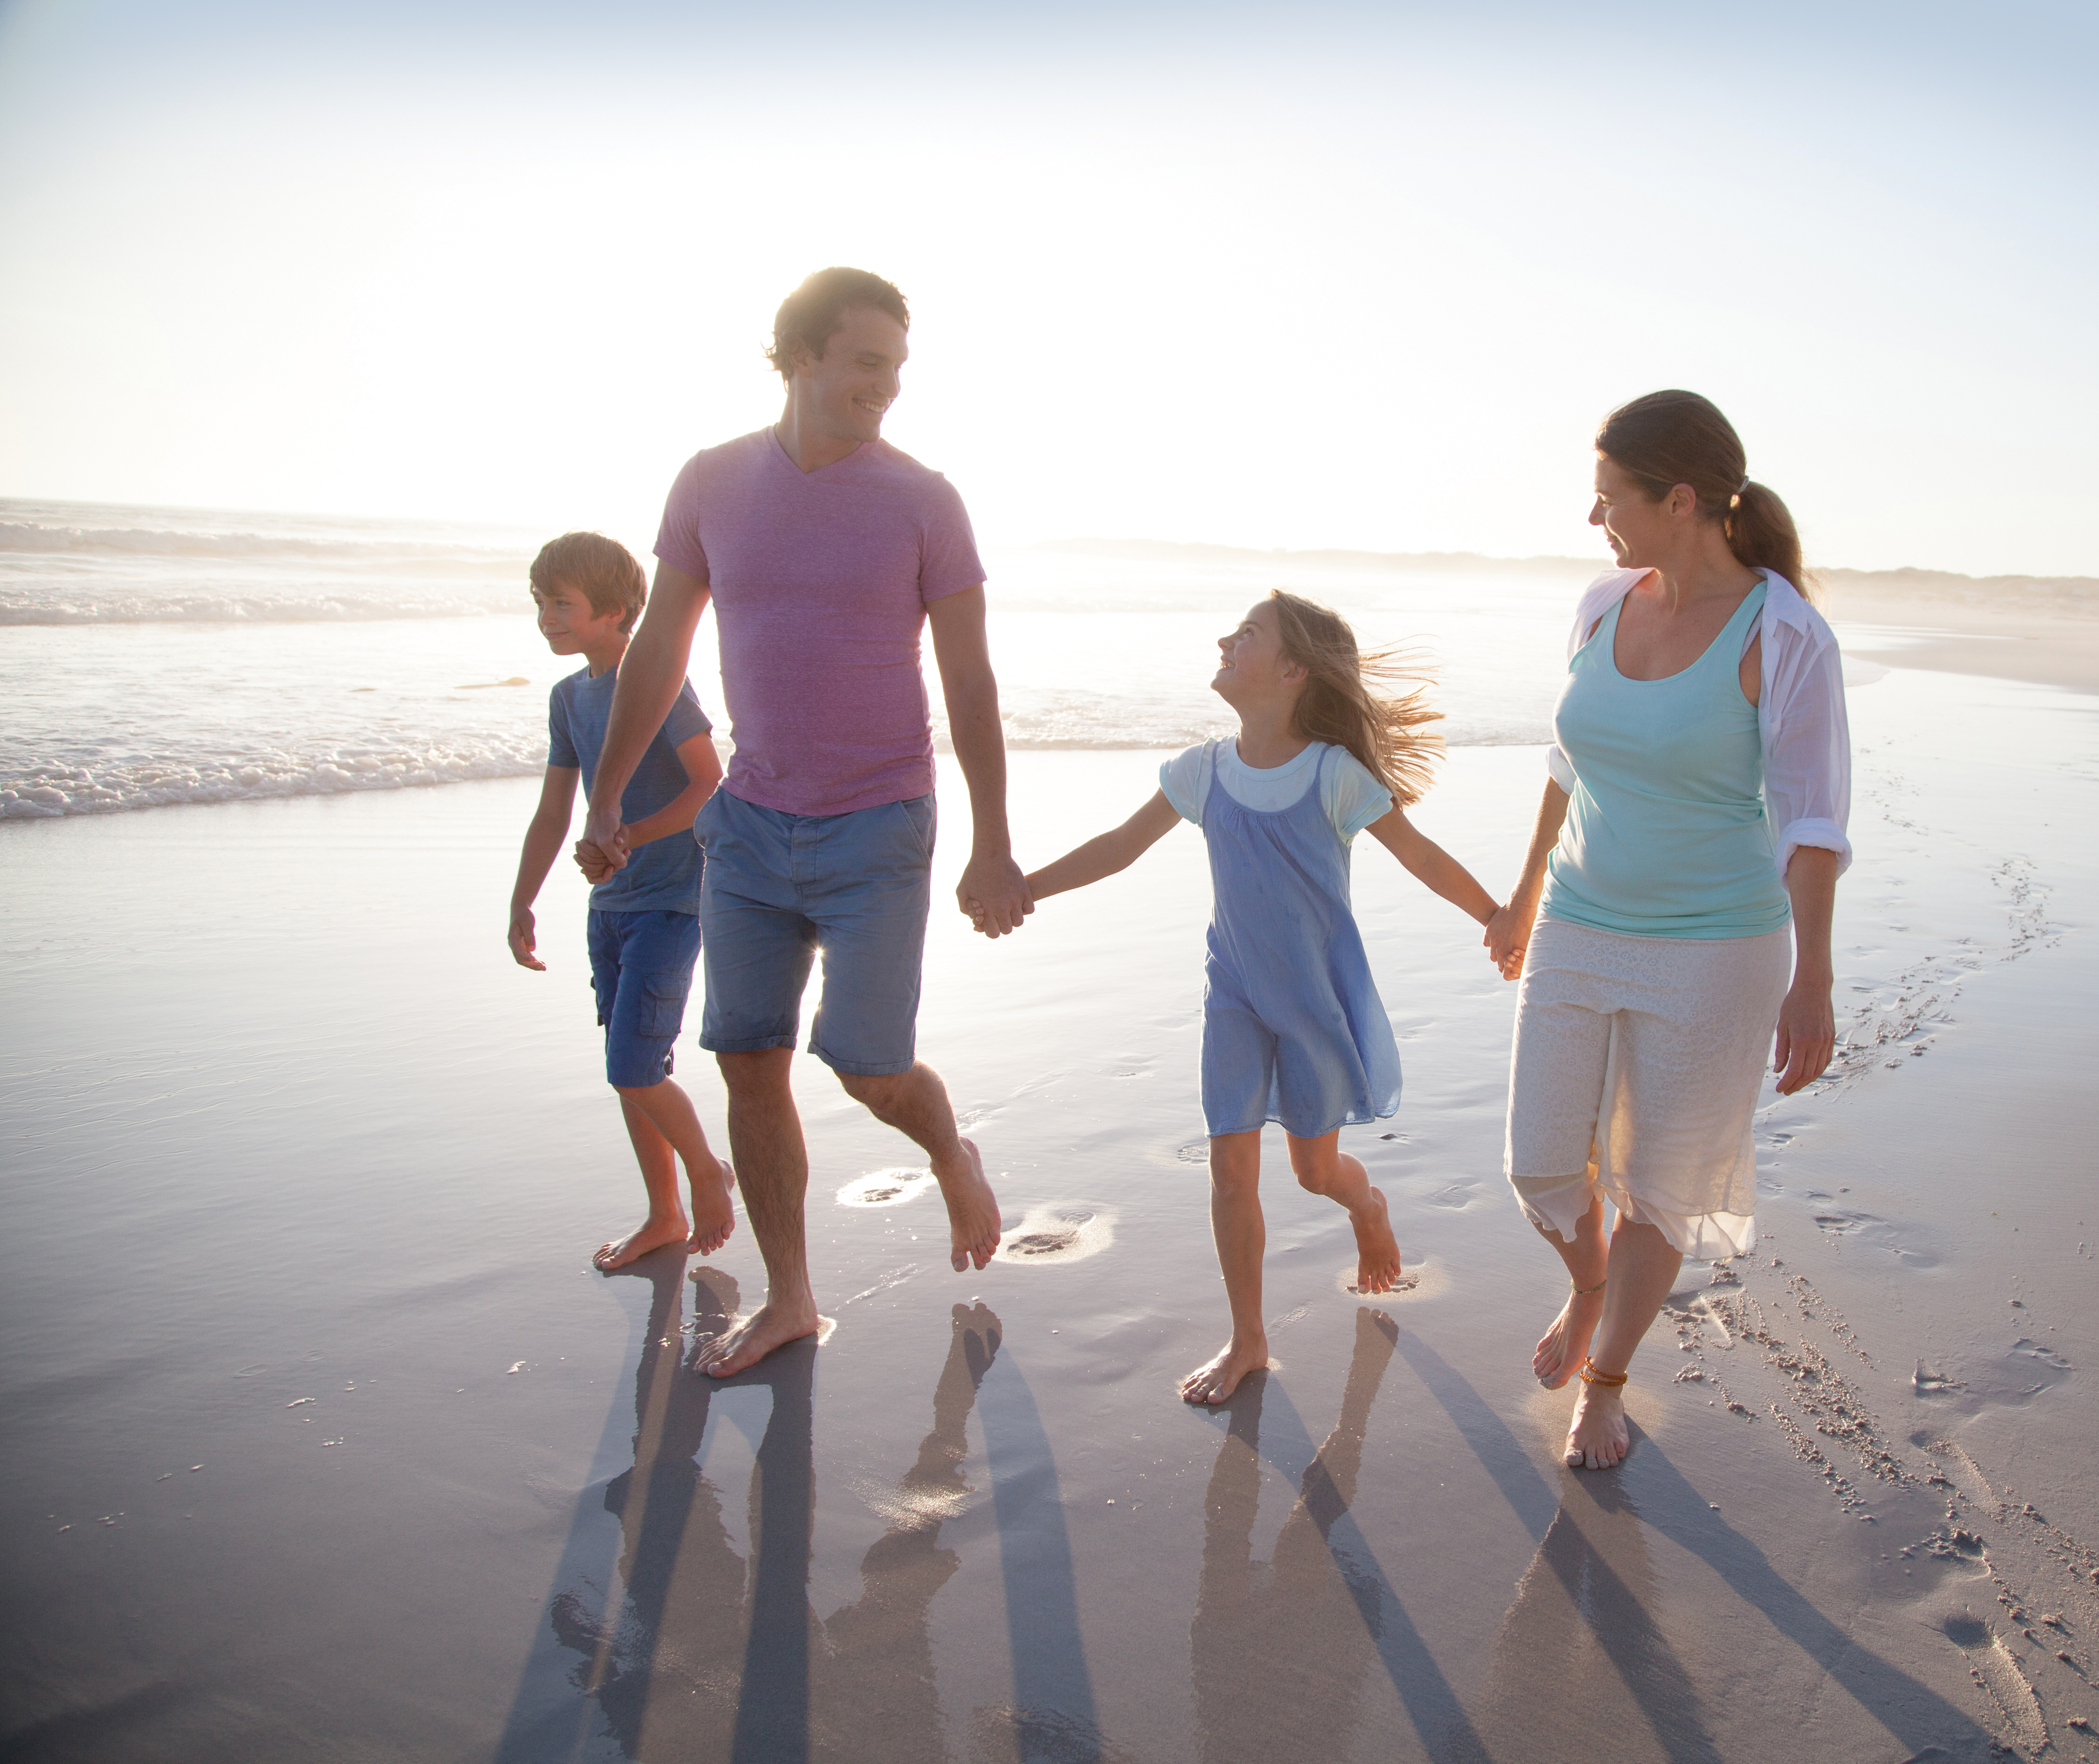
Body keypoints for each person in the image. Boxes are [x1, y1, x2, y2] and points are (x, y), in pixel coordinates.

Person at [580, 268, 1029, 1378]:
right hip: (746, 828)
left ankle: (950, 1151)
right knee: (747, 1058)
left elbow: (970, 685)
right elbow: (658, 652)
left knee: (871, 1070)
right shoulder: (710, 481)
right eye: (866, 362)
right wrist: (607, 795)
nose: (886, 387)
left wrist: (991, 841)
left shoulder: (924, 500)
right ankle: (790, 1297)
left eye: (896, 368)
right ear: (800, 358)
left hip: (879, 827)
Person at [1483, 391, 1853, 1471]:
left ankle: (1606, 1381)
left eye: (1611, 500)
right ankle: (1588, 1286)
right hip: (1579, 920)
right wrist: (1520, 897)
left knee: (1658, 1184)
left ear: (1680, 500)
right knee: (1540, 1161)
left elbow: (1813, 823)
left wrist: (1814, 979)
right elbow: (1568, 765)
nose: (1596, 520)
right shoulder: (1602, 606)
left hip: (1717, 948)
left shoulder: (1785, 637)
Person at [1023, 592, 1501, 1404]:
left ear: (1290, 671)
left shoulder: (1334, 776)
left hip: (1314, 1006)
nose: (1224, 639)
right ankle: (1248, 1338)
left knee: (1316, 1172)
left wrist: (1496, 916)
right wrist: (1022, 887)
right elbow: (1117, 848)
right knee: (1231, 1171)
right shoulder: (1201, 771)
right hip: (1235, 996)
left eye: (1246, 634)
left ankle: (1369, 1206)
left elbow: (1419, 855)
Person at [506, 531, 735, 1271]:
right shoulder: (568, 697)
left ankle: (706, 1171)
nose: (547, 617)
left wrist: (626, 833)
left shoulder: (658, 679)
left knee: (632, 1067)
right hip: (609, 909)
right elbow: (553, 812)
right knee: (630, 1066)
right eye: (540, 603)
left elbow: (709, 784)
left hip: (671, 902)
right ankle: (664, 1215)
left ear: (617, 612)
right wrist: (522, 901)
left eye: (562, 604)